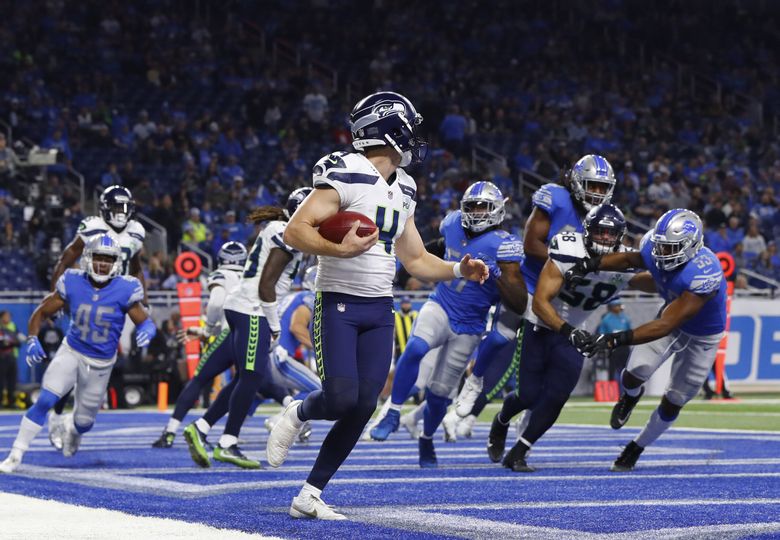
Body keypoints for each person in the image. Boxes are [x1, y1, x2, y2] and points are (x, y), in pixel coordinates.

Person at [266, 91, 489, 520]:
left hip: (379, 307)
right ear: (389, 129)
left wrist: (460, 270)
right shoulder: (347, 171)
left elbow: (416, 259)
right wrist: (342, 252)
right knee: (341, 397)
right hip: (338, 303)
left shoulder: (404, 186)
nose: (415, 137)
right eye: (409, 127)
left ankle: (309, 494)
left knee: (365, 404)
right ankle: (297, 411)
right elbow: (295, 231)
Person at [369, 181, 527, 470]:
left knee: (440, 393)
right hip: (441, 304)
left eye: (484, 207)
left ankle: (426, 438)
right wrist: (410, 267)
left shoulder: (506, 245)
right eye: (473, 206)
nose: (477, 212)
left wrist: (497, 275)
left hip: (471, 324)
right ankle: (392, 411)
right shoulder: (452, 222)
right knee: (415, 348)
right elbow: (444, 247)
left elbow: (518, 300)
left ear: (497, 211)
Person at [488, 204, 654, 472]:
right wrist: (569, 332)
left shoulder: (622, 262)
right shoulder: (568, 249)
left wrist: (670, 277)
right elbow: (541, 303)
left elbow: (643, 281)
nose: (604, 239)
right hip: (542, 324)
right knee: (528, 396)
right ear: (587, 231)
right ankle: (502, 419)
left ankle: (519, 452)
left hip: (574, 330)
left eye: (610, 234)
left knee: (558, 395)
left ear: (620, 237)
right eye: (599, 232)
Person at [455, 154, 617, 419]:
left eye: (602, 187)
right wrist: (571, 267)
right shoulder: (555, 197)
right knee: (502, 337)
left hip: (564, 295)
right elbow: (531, 245)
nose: (597, 193)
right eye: (591, 185)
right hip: (530, 284)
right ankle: (473, 387)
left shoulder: (605, 217)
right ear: (577, 183)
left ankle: (517, 420)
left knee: (551, 372)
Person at [565, 208, 727, 472]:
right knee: (634, 372)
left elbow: (666, 324)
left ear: (691, 246)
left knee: (675, 399)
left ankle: (636, 446)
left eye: (671, 247)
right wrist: (589, 265)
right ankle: (630, 397)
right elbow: (633, 258)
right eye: (661, 246)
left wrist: (613, 340)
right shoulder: (655, 246)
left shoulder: (704, 273)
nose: (662, 253)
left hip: (702, 337)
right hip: (671, 317)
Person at [0, 234, 155, 473]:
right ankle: (15, 454)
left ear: (115, 262)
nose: (102, 263)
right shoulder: (72, 280)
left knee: (84, 423)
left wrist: (148, 329)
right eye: (98, 257)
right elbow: (41, 312)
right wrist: (32, 339)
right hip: (72, 350)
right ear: (88, 259)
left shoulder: (126, 287)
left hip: (101, 363)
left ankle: (72, 429)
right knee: (44, 401)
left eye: (108, 259)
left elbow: (145, 321)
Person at [182, 187, 312, 469]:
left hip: (246, 306)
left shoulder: (281, 227)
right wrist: (275, 324)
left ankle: (202, 428)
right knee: (253, 377)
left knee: (247, 377)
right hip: (254, 309)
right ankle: (228, 442)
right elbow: (267, 285)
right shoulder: (286, 233)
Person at [47, 185, 147, 445]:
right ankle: (56, 416)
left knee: (99, 360)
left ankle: (76, 413)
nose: (120, 213)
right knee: (74, 361)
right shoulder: (92, 227)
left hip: (118, 300)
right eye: (115, 208)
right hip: (89, 295)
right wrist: (56, 294)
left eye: (124, 208)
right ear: (104, 208)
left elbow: (136, 267)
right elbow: (67, 258)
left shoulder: (137, 232)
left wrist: (142, 298)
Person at [151, 241, 247, 448]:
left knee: (199, 380)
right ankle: (218, 433)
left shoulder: (221, 275)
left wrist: (208, 330)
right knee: (244, 382)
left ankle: (170, 432)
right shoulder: (251, 276)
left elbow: (215, 302)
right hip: (250, 336)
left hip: (227, 333)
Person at [597, 298, 632, 381]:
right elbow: (602, 333)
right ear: (612, 307)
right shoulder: (606, 319)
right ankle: (612, 388)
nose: (619, 307)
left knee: (625, 368)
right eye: (617, 305)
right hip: (613, 346)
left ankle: (625, 387)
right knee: (612, 368)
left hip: (624, 346)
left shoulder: (625, 318)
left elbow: (629, 331)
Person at [0, 311, 22, 408]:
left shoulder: (12, 328)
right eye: (6, 316)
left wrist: (9, 343)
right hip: (2, 358)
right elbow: (2, 344)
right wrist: (10, 342)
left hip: (11, 357)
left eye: (9, 316)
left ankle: (11, 402)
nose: (8, 318)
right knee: (1, 381)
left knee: (12, 381)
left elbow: (18, 343)